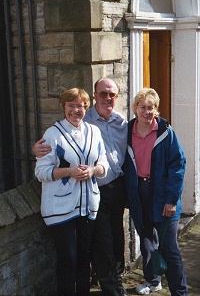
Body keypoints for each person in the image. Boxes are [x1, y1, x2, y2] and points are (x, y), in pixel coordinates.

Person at [32, 78, 129, 296]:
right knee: (69, 257)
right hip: (60, 207)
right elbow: (41, 172)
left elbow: (103, 163)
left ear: (87, 107)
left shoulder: (94, 132)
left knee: (85, 256)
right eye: (71, 106)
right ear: (63, 107)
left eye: (80, 106)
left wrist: (93, 171)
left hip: (88, 205)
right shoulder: (52, 134)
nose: (76, 110)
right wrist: (69, 172)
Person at [123, 88, 188, 295]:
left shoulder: (166, 133)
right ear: (135, 109)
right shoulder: (126, 132)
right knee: (147, 240)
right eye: (142, 107)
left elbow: (178, 166)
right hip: (139, 191)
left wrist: (171, 200)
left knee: (169, 248)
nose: (146, 112)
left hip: (163, 193)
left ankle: (180, 291)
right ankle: (153, 280)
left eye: (151, 108)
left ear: (156, 109)